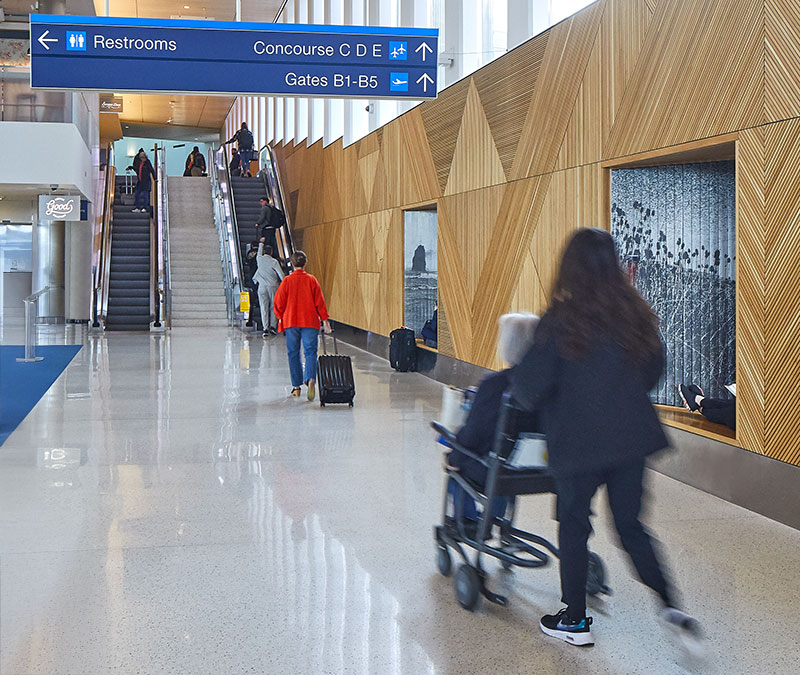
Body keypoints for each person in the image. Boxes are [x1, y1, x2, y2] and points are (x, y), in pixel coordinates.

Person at [510, 228, 701, 652]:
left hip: (577, 445)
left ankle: (575, 620)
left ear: (570, 268)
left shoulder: (560, 321)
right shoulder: (634, 314)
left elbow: (527, 391)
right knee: (631, 526)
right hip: (630, 440)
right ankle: (672, 607)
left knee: (575, 527)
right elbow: (653, 374)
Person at [446, 313, 540, 522]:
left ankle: (468, 521)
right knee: (502, 458)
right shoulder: (548, 387)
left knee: (460, 464)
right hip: (537, 471)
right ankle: (497, 518)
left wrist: (454, 458)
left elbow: (473, 433)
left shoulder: (494, 386)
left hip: (497, 470)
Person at [273, 250, 332, 401]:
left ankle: (296, 387)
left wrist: (281, 317)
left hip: (291, 321)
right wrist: (325, 321)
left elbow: (278, 302)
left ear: (292, 264)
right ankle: (311, 378)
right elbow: (320, 302)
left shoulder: (287, 281)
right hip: (310, 321)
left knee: (293, 353)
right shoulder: (312, 280)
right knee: (310, 352)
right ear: (305, 263)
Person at [254, 240, 285, 337]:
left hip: (262, 287)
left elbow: (259, 252)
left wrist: (261, 243)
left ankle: (265, 328)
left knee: (264, 307)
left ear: (264, 252)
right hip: (273, 286)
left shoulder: (259, 259)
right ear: (271, 252)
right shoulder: (274, 262)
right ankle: (272, 327)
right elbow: (281, 275)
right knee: (273, 307)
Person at [132, 150, 155, 215]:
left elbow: (152, 170)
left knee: (145, 195)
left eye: (144, 158)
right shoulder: (140, 163)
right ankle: (138, 207)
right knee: (137, 194)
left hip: (146, 181)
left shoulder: (147, 162)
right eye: (142, 158)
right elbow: (137, 169)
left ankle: (144, 207)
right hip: (140, 181)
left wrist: (155, 178)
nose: (143, 159)